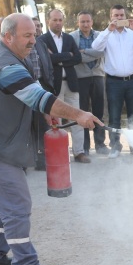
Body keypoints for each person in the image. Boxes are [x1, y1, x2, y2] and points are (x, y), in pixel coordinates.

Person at [0, 13, 102, 265]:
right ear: (8, 36)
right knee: (16, 204)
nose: (33, 40)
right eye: (27, 36)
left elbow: (30, 94)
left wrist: (45, 112)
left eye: (34, 35)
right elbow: (38, 97)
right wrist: (78, 114)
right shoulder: (6, 64)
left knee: (2, 203)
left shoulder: (10, 56)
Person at [91, 4, 133, 158]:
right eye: (116, 15)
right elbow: (95, 47)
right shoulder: (106, 34)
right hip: (113, 82)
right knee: (114, 115)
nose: (119, 18)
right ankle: (115, 147)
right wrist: (108, 30)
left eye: (121, 15)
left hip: (132, 81)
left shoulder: (132, 33)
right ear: (111, 17)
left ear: (125, 16)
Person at [38, 9, 86, 162]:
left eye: (60, 20)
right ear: (48, 21)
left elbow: (77, 58)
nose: (58, 23)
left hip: (71, 85)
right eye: (55, 20)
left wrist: (57, 58)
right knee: (55, 121)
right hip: (54, 86)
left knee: (77, 118)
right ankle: (59, 154)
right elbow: (46, 60)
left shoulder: (69, 38)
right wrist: (67, 56)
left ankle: (79, 152)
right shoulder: (42, 40)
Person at [70, 11, 107, 157]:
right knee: (83, 112)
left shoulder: (100, 36)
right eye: (82, 22)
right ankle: (84, 147)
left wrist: (84, 51)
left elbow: (102, 53)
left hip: (97, 76)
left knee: (99, 112)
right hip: (81, 78)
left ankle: (100, 144)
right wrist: (90, 53)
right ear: (78, 23)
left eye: (87, 21)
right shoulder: (72, 37)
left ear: (92, 22)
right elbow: (76, 58)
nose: (85, 24)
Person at [26, 17, 55, 170]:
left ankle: (42, 159)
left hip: (42, 86)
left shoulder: (42, 44)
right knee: (26, 124)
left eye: (38, 26)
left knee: (43, 124)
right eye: (33, 26)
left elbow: (48, 66)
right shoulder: (22, 44)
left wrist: (48, 83)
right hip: (25, 87)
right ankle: (26, 160)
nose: (36, 28)